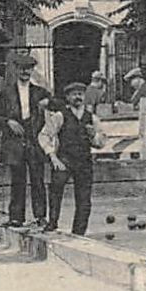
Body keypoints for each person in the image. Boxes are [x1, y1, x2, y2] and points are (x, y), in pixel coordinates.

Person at [0, 53, 52, 227]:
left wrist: (48, 102)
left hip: (34, 140)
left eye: (28, 68)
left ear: (32, 70)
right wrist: (8, 122)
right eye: (22, 68)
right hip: (15, 142)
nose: (25, 72)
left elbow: (58, 104)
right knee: (17, 179)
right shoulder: (6, 93)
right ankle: (16, 217)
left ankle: (40, 216)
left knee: (38, 179)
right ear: (16, 69)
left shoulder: (40, 91)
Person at [39, 82, 105, 235]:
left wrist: (92, 135)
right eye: (74, 94)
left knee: (84, 198)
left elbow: (100, 143)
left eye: (80, 94)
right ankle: (52, 223)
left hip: (84, 161)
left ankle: (79, 231)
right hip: (65, 160)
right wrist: (53, 157)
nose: (77, 97)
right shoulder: (60, 116)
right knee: (55, 191)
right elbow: (44, 136)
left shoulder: (92, 118)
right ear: (67, 97)